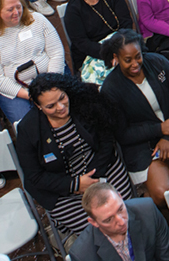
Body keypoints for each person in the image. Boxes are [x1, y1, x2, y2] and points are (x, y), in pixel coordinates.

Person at [16, 73, 133, 236]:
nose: (61, 107)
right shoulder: (28, 129)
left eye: (62, 98)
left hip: (102, 169)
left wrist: (93, 178)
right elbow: (34, 176)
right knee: (97, 231)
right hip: (62, 190)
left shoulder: (84, 102)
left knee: (124, 214)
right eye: (51, 106)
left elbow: (106, 141)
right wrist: (75, 184)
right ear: (38, 106)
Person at [101, 31, 169, 206]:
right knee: (164, 194)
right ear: (116, 58)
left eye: (138, 56)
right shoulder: (110, 88)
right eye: (128, 60)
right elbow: (122, 133)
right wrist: (159, 130)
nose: (135, 64)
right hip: (142, 147)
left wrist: (168, 136)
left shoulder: (158, 62)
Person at [0, 0, 64, 124]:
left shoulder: (37, 19)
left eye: (18, 7)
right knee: (30, 126)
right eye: (10, 9)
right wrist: (30, 95)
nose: (16, 13)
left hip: (51, 77)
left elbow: (56, 52)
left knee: (69, 109)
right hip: (16, 91)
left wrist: (50, 83)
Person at [70, 183, 169, 261]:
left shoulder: (148, 211)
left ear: (120, 197)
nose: (121, 221)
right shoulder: (82, 255)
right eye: (108, 220)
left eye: (120, 209)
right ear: (94, 222)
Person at [64, 0, 134, 73]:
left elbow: (126, 23)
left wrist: (119, 49)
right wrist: (110, 54)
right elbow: (82, 43)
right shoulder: (73, 10)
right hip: (93, 54)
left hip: (121, 44)